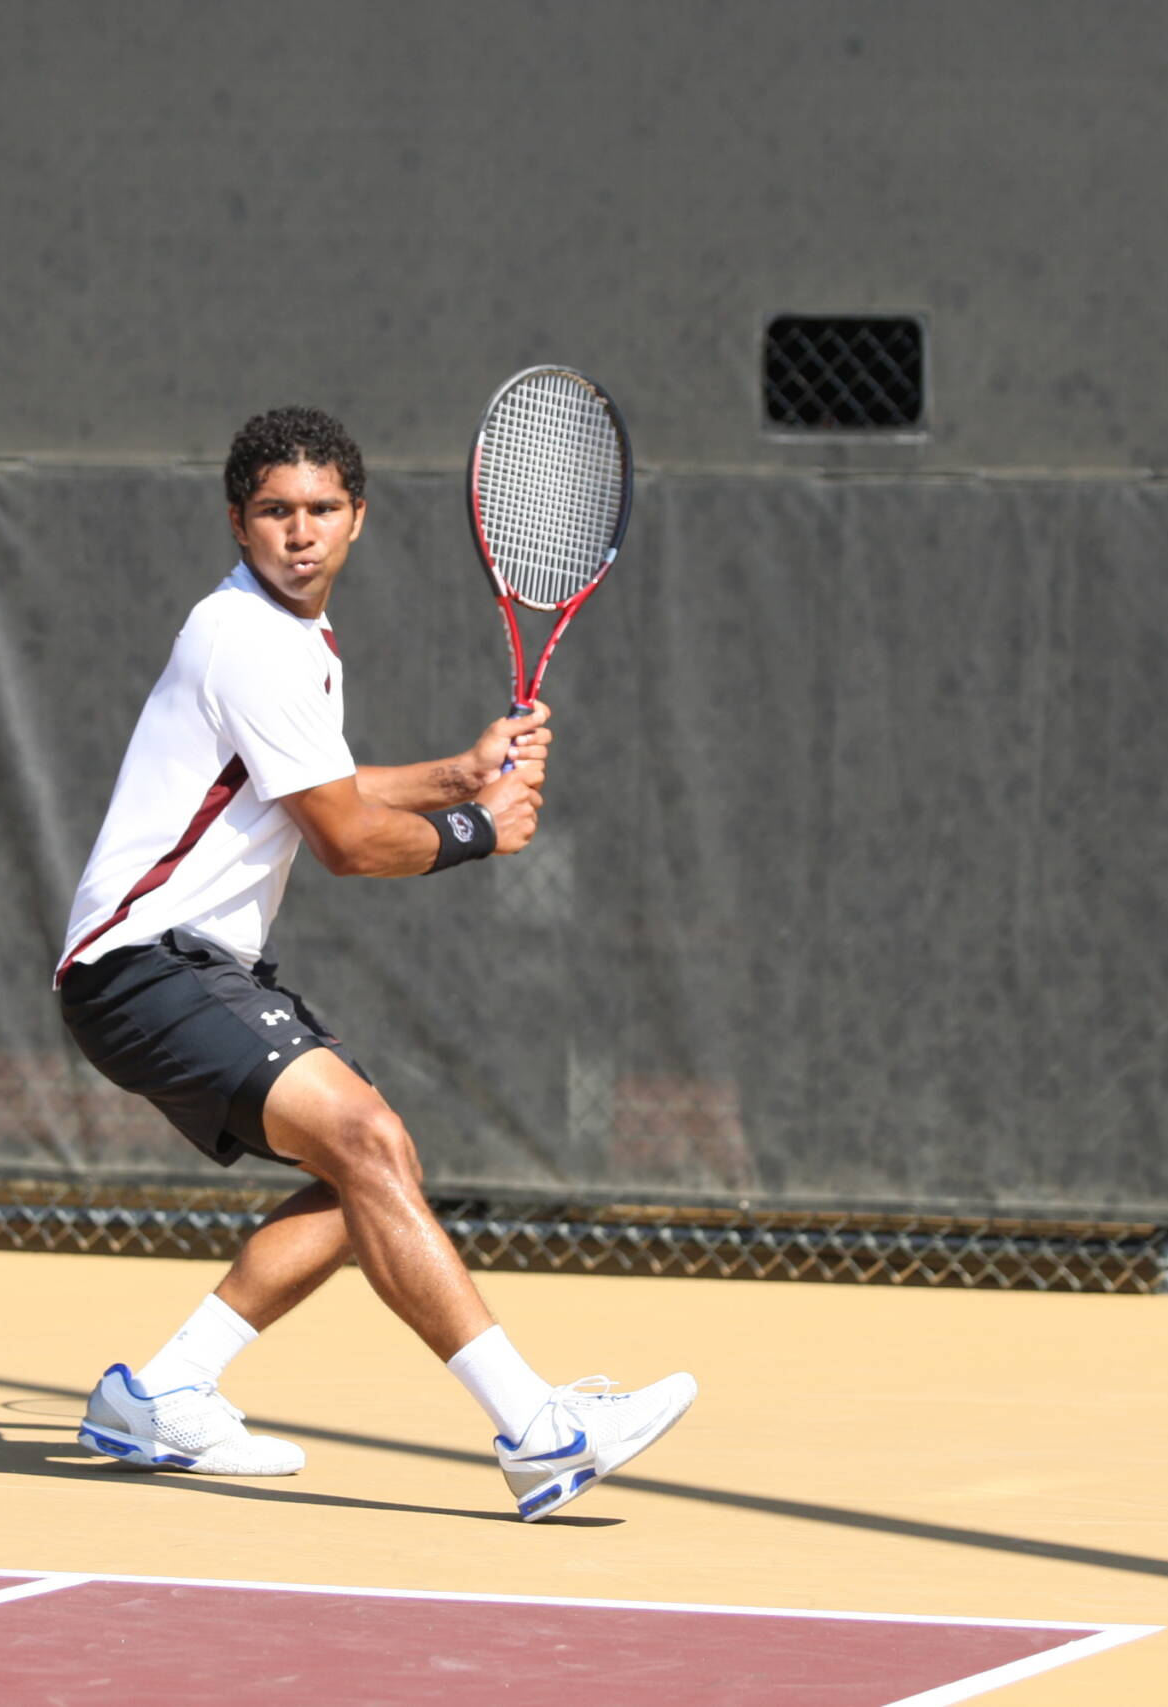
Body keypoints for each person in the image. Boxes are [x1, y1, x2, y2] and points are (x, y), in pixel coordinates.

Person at [53, 405, 693, 1521]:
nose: (298, 532)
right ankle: (537, 1431)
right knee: (369, 1141)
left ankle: (161, 1391)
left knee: (364, 1179)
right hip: (143, 966)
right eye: (273, 512)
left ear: (357, 520)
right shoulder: (243, 637)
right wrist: (480, 830)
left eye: (319, 510)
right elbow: (346, 843)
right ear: (236, 521)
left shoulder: (294, 643)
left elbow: (323, 792)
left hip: (185, 969)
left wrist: (459, 772)